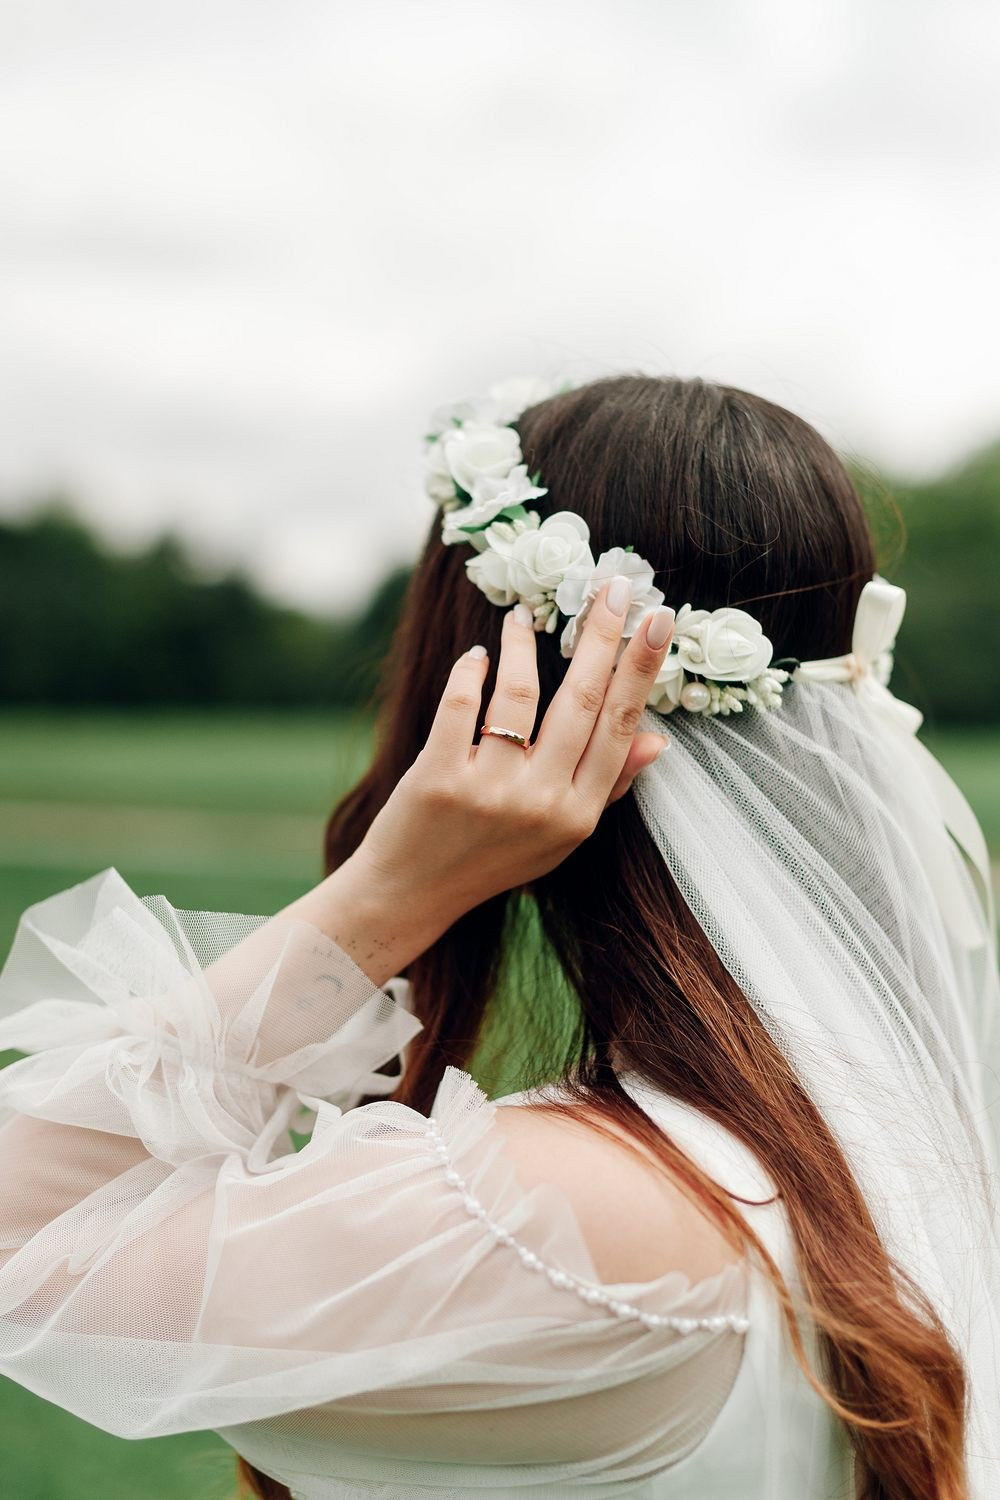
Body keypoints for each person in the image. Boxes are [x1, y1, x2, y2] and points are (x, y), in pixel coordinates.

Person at [0, 374, 997, 1500]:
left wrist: (386, 894)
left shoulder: (557, 1222)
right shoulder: (891, 1137)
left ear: (489, 696)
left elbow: (19, 1248)